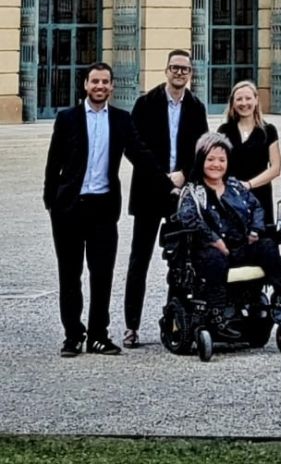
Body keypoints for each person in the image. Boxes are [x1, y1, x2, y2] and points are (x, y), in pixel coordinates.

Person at [44, 62, 173, 357]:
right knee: (70, 274)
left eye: (105, 82)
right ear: (85, 85)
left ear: (112, 86)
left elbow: (140, 156)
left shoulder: (121, 120)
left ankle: (98, 335)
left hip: (103, 207)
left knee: (101, 275)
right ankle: (73, 335)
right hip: (70, 208)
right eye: (95, 82)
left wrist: (168, 184)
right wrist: (52, 202)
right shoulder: (67, 119)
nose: (100, 87)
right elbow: (54, 164)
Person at [123, 49, 208, 349]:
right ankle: (131, 326)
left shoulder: (197, 107)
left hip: (180, 195)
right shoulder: (145, 104)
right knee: (139, 260)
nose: (179, 73)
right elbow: (133, 147)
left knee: (181, 261)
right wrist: (163, 178)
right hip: (149, 191)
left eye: (185, 69)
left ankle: (175, 321)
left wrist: (184, 174)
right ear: (166, 71)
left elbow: (202, 150)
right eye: (175, 68)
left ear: (190, 74)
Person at [176, 133, 281, 340]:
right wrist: (214, 239)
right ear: (201, 160)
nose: (216, 165)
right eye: (210, 159)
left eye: (222, 160)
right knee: (215, 258)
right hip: (209, 251)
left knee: (268, 246)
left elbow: (257, 207)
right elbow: (189, 219)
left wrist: (255, 230)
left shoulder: (235, 187)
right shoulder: (193, 191)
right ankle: (217, 314)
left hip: (240, 246)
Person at [217, 81, 281, 223]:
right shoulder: (224, 130)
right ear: (233, 103)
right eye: (239, 99)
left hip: (260, 195)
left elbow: (276, 168)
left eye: (248, 98)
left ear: (256, 100)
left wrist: (249, 184)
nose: (244, 103)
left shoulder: (268, 130)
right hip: (231, 195)